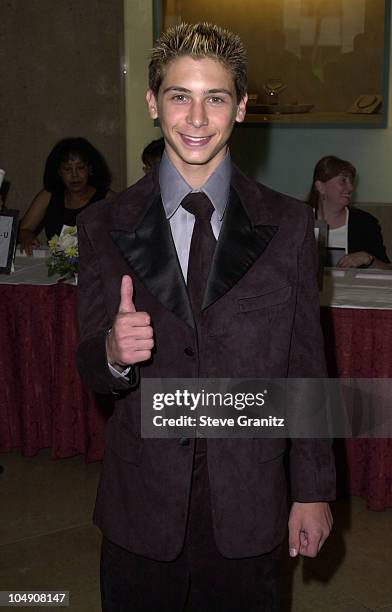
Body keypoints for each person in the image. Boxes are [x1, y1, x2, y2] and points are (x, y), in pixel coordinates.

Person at [76, 22, 335, 612]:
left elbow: (306, 368)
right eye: (179, 96)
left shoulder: (289, 226)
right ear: (152, 103)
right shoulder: (104, 226)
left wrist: (313, 490)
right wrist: (112, 353)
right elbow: (88, 365)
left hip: (249, 496)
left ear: (240, 107)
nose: (196, 118)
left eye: (215, 98)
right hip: (141, 503)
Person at [19, 137, 114, 255]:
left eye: (80, 168)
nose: (75, 175)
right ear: (59, 172)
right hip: (57, 268)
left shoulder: (107, 198)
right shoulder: (48, 196)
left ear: (90, 169)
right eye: (68, 169)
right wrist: (27, 237)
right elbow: (23, 229)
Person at [308, 155, 390, 268]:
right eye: (343, 181)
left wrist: (368, 259)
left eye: (351, 181)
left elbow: (387, 270)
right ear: (320, 187)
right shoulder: (299, 220)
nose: (351, 188)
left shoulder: (365, 223)